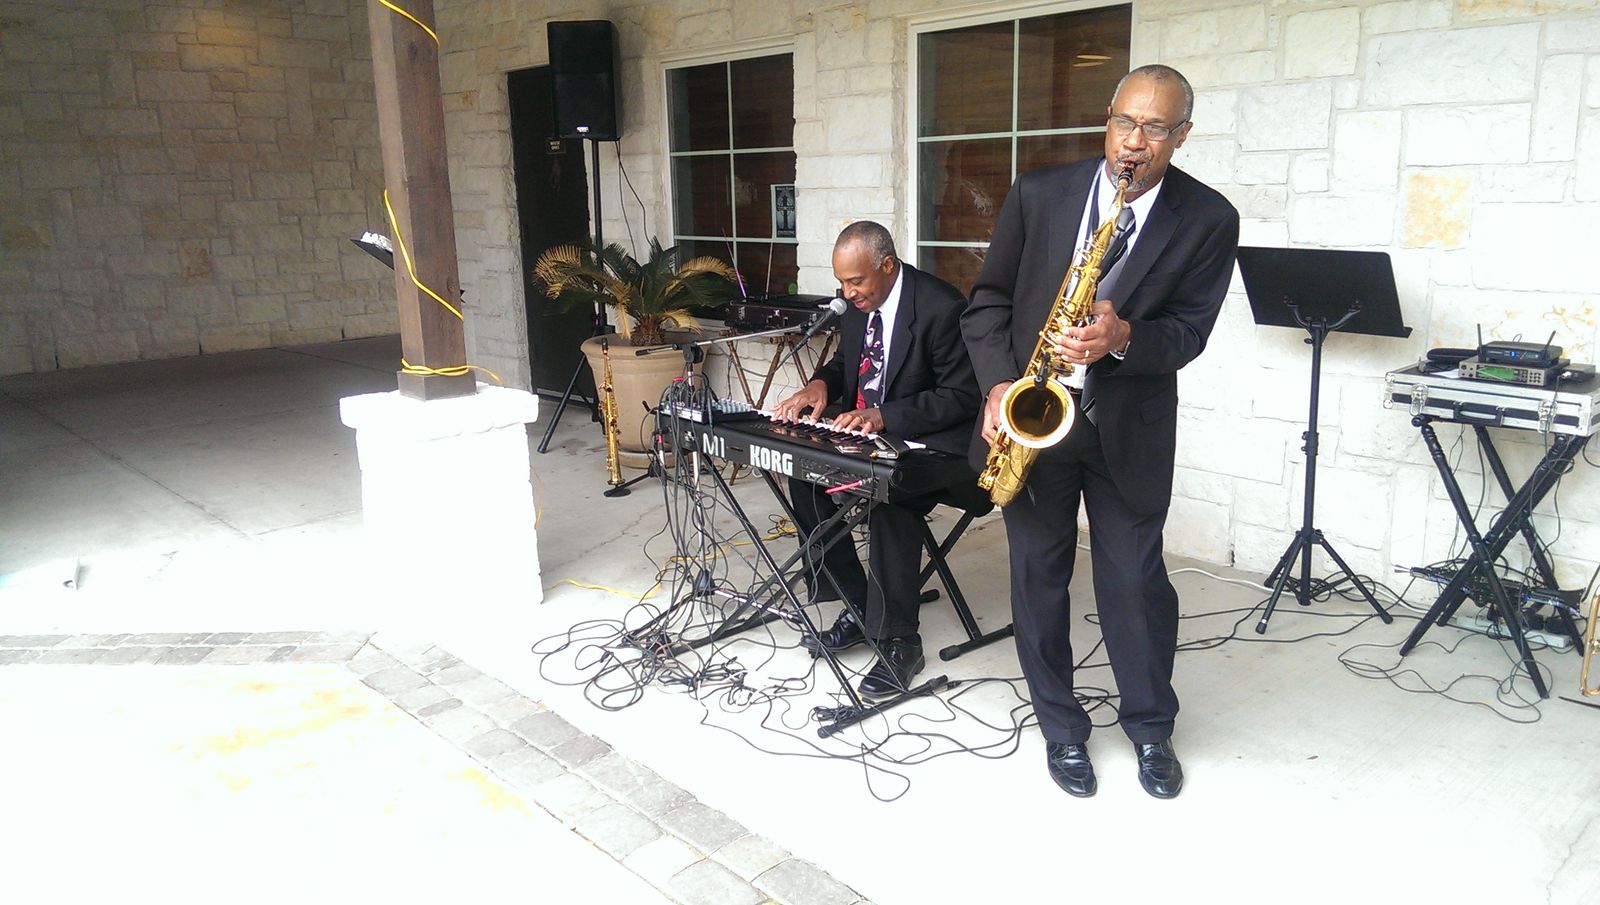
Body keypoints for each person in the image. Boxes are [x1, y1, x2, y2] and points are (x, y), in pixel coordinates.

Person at [961, 65, 1240, 799]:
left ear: (1183, 135)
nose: (1134, 142)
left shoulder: (1209, 218)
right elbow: (987, 302)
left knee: (1134, 582)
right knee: (1037, 578)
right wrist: (999, 385)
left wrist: (1123, 336)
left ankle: (1150, 726)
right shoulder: (1039, 193)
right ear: (1106, 121)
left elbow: (1189, 332)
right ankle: (1061, 726)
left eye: (1155, 128)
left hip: (1127, 429)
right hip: (1033, 417)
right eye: (1125, 122)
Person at [770, 221, 980, 700]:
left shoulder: (941, 308)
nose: (847, 293)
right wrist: (820, 385)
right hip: (878, 438)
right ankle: (860, 606)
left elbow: (962, 396)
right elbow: (846, 362)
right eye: (841, 283)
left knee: (890, 495)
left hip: (941, 447)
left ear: (887, 266)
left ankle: (900, 640)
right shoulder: (857, 307)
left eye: (855, 281)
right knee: (804, 475)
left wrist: (884, 415)